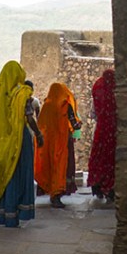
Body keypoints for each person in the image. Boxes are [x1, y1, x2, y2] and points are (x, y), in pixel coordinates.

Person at [0, 60, 44, 227]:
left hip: (0, 141)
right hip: (19, 140)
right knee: (19, 173)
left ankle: (6, 214)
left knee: (6, 175)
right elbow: (29, 117)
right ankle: (19, 211)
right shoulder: (22, 94)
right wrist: (38, 134)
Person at [34, 82, 82, 209]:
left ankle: (51, 191)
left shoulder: (46, 105)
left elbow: (41, 125)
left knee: (49, 165)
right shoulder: (65, 106)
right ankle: (56, 195)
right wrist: (78, 125)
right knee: (60, 166)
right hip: (62, 141)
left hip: (49, 143)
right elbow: (74, 123)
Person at [87, 69, 117, 201]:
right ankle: (109, 188)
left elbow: (93, 113)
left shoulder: (98, 87)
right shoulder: (115, 90)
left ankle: (97, 186)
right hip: (114, 130)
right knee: (111, 158)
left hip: (100, 130)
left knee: (98, 156)